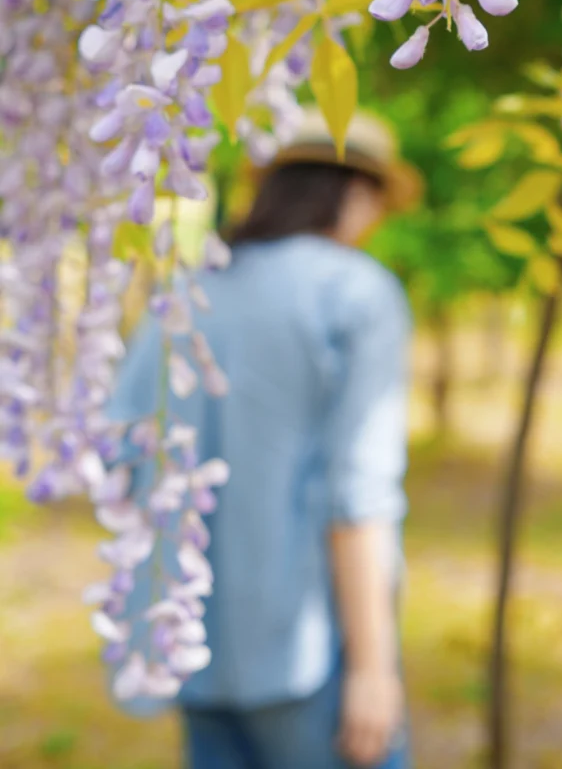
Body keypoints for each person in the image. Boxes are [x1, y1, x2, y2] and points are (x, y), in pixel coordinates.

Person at [108, 109, 421, 769]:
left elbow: (125, 453)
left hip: (188, 641)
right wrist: (372, 668)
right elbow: (358, 497)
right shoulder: (357, 292)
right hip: (305, 654)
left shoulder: (190, 288)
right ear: (357, 193)